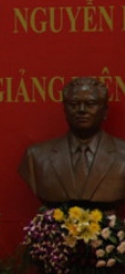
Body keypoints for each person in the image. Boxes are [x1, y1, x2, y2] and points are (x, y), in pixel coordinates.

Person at [18, 76, 125, 210]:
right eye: (73, 104)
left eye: (90, 104)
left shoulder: (122, 155)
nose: (81, 110)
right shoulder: (36, 157)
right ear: (65, 110)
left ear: (104, 111)